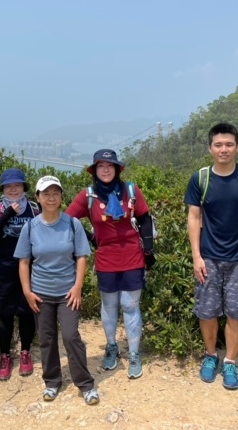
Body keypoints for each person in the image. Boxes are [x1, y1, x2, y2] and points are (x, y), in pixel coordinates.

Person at [184, 123, 238, 390]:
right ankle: (211, 356)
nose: (224, 149)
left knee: (236, 313)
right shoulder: (200, 178)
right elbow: (194, 217)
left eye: (229, 144)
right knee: (207, 312)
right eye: (218, 145)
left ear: (237, 147)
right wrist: (196, 256)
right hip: (208, 257)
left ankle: (230, 361)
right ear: (210, 148)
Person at [66, 149, 155, 379]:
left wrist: (149, 248)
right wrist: (91, 238)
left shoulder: (131, 191)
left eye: (110, 165)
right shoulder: (88, 196)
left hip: (133, 256)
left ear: (117, 169)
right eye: (101, 166)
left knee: (130, 305)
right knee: (110, 305)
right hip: (106, 258)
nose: (105, 170)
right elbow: (68, 219)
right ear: (94, 170)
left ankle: (134, 353)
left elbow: (144, 218)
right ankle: (112, 346)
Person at [15, 175, 100, 405]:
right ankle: (52, 382)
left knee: (71, 336)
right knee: (46, 338)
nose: (51, 198)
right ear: (37, 197)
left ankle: (85, 384)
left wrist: (78, 286)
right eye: (46, 193)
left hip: (67, 293)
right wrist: (27, 292)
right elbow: (24, 262)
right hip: (40, 293)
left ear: (62, 196)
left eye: (55, 193)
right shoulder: (30, 227)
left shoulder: (72, 224)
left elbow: (81, 256)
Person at [0, 168, 38, 381]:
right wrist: (8, 214)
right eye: (9, 186)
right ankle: (5, 356)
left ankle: (25, 352)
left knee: (26, 311)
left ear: (24, 187)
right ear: (3, 189)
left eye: (17, 185)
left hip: (30, 268)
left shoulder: (34, 208)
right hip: (2, 268)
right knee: (4, 314)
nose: (13, 189)